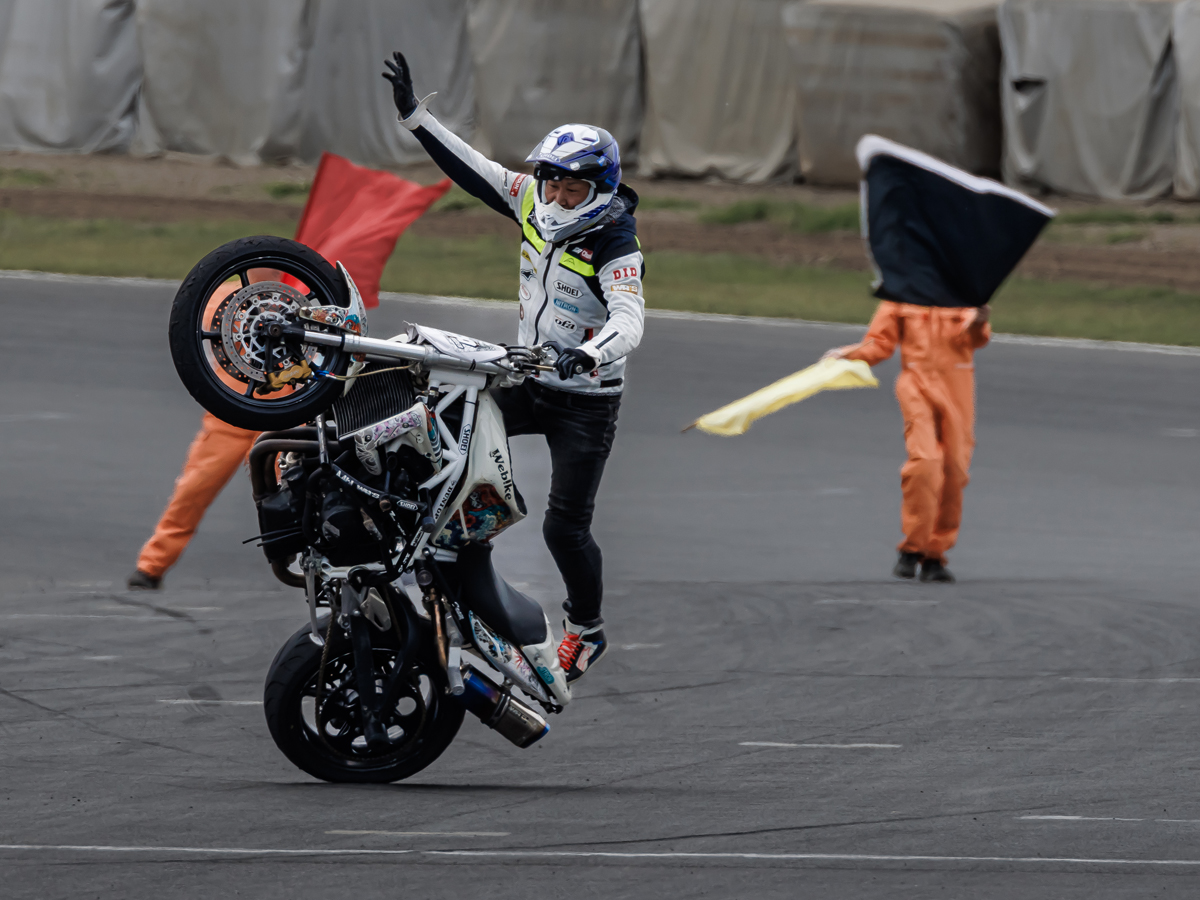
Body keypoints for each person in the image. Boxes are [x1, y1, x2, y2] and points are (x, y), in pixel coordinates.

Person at [383, 51, 645, 683]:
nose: (555, 195)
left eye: (571, 186)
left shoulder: (614, 239)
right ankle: (446, 549)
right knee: (449, 433)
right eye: (550, 180)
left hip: (586, 401)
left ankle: (587, 627)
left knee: (564, 527)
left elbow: (630, 318)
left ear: (601, 189)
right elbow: (475, 172)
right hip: (527, 378)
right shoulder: (530, 201)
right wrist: (417, 118)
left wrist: (590, 352)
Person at [824, 304, 991, 584]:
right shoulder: (900, 296)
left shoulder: (966, 292)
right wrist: (846, 354)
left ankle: (935, 554)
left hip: (957, 389)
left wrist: (979, 321)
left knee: (955, 470)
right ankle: (912, 548)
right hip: (916, 385)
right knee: (925, 462)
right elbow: (879, 345)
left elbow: (975, 341)